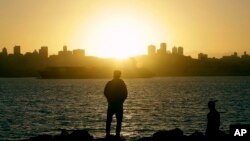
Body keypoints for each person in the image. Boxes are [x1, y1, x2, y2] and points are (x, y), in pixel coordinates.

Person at [104, 70, 128, 138]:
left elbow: (105, 92)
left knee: (109, 120)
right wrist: (121, 100)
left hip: (112, 104)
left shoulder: (110, 83)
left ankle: (108, 134)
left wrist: (109, 99)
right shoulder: (121, 83)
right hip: (117, 104)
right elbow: (125, 93)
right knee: (118, 120)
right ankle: (116, 135)